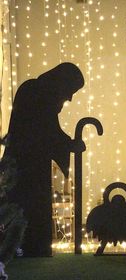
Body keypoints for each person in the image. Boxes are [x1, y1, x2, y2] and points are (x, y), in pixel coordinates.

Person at [4, 62, 86, 256]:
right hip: (27, 164)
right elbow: (46, 132)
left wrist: (67, 144)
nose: (69, 97)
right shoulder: (37, 93)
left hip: (25, 162)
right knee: (30, 204)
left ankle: (28, 247)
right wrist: (69, 145)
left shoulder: (33, 90)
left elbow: (49, 131)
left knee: (27, 204)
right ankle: (31, 248)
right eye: (70, 90)